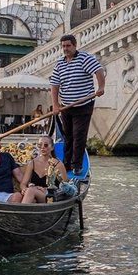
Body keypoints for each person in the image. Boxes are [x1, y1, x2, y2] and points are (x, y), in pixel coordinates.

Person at [51, 33, 105, 178]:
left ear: (75, 45)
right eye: (63, 46)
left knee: (78, 135)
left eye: (68, 46)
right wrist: (55, 105)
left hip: (83, 105)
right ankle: (66, 163)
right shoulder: (60, 63)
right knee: (67, 136)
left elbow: (98, 71)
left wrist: (101, 87)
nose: (66, 48)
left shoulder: (84, 59)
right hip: (66, 106)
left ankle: (76, 165)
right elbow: (55, 85)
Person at [15, 134, 67, 204]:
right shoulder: (32, 163)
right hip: (37, 195)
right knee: (31, 196)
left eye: (45, 145)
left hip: (52, 197)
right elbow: (23, 184)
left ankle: (20, 213)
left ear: (52, 148)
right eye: (39, 145)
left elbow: (66, 187)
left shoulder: (58, 165)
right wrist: (25, 189)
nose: (42, 148)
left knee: (31, 191)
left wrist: (46, 189)